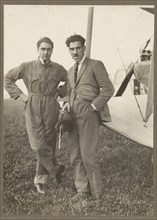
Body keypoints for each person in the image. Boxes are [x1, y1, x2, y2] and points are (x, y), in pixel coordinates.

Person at [4, 37, 67, 194]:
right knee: (37, 144)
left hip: (51, 106)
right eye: (43, 49)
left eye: (49, 49)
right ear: (38, 50)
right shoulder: (27, 66)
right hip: (32, 105)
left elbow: (71, 82)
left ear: (52, 50)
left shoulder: (58, 69)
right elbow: (7, 78)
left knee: (48, 141)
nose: (46, 52)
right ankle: (55, 168)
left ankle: (41, 180)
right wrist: (21, 96)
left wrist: (60, 92)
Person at [62, 34, 115, 204]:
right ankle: (82, 190)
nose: (75, 52)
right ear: (69, 50)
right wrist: (67, 104)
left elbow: (108, 88)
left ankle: (97, 193)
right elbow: (70, 91)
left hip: (88, 111)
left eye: (78, 48)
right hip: (72, 113)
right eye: (72, 49)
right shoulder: (70, 70)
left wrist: (93, 106)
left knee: (88, 154)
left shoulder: (95, 65)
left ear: (84, 48)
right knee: (74, 154)